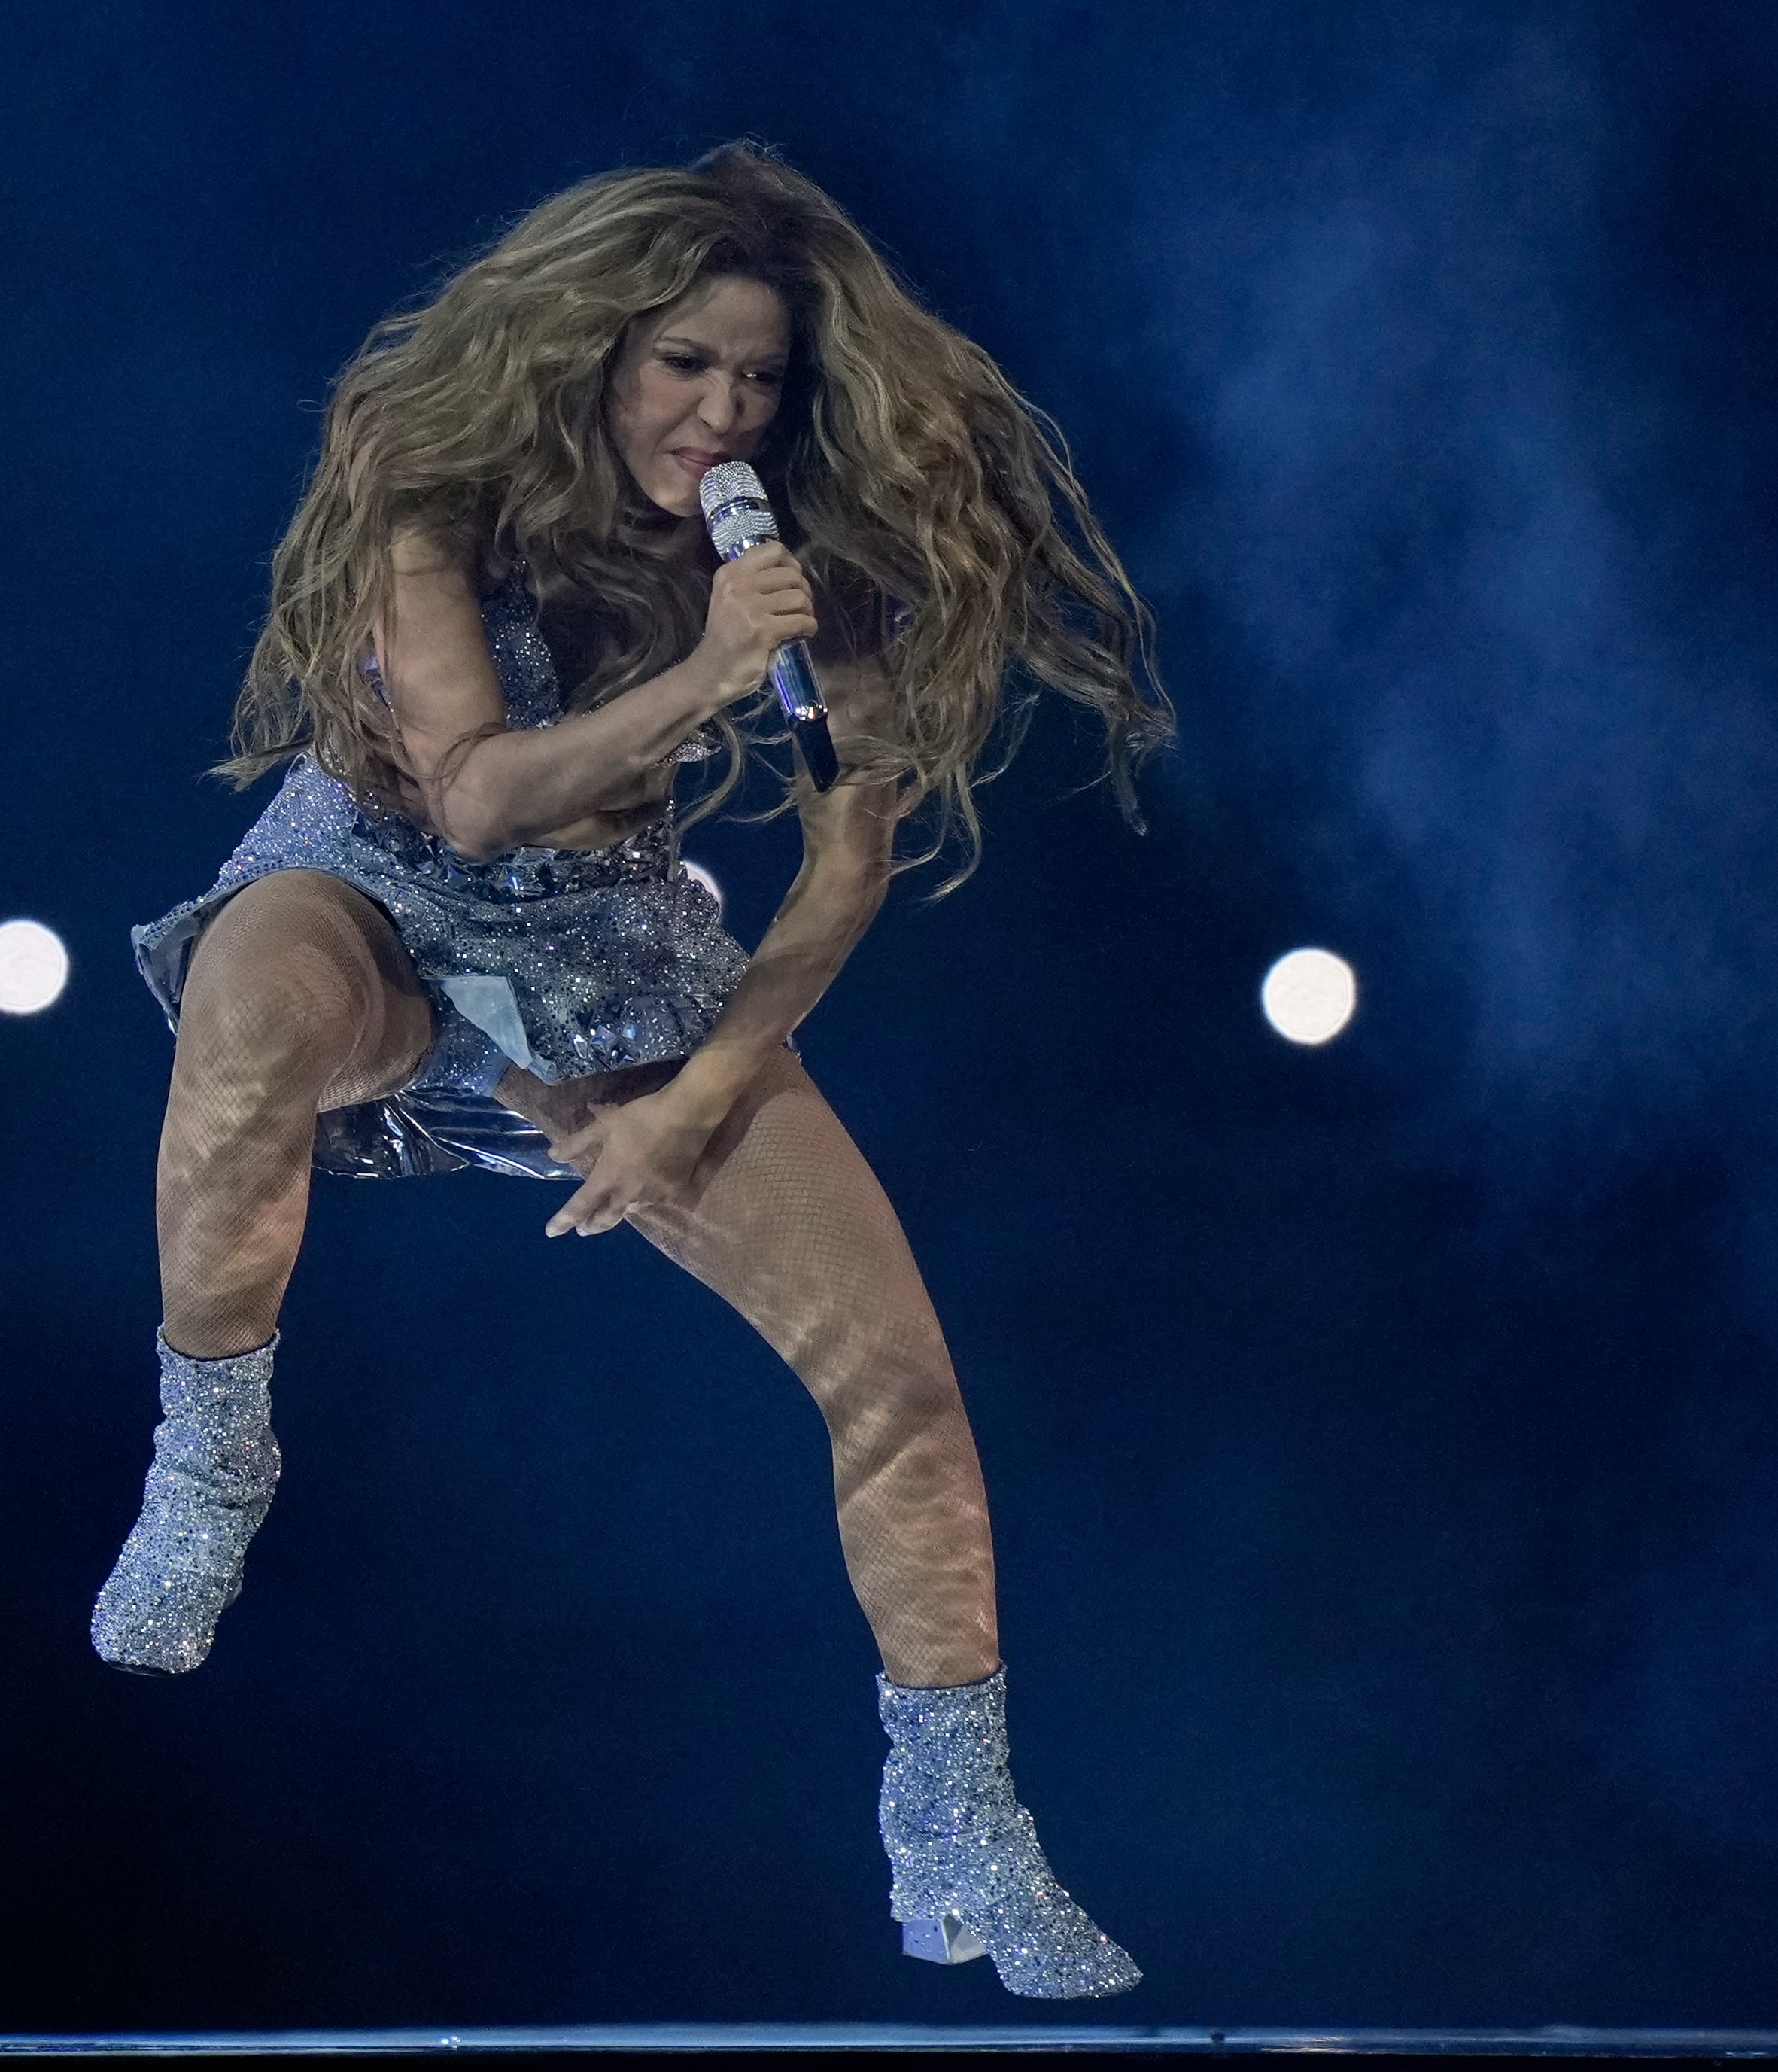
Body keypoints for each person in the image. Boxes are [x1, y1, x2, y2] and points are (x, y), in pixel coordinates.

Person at [92, 144, 1171, 2000]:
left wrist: (693, 1094)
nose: (719, 411)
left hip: (606, 950)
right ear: (592, 351)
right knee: (245, 1012)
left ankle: (960, 1827)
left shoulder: (802, 574)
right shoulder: (431, 483)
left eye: (755, 379)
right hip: (372, 877)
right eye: (683, 363)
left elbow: (846, 866)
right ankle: (213, 1456)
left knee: (900, 1381)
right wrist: (699, 674)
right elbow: (477, 794)